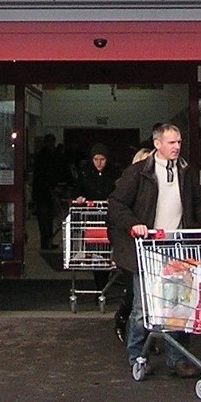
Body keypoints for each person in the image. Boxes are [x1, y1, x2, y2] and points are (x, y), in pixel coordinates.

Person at [108, 124, 201, 378]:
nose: (177, 147)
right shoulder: (138, 172)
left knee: (177, 305)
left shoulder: (185, 171)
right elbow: (116, 204)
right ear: (157, 144)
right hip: (146, 247)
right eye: (171, 142)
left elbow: (197, 204)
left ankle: (176, 359)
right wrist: (134, 224)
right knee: (142, 307)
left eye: (179, 142)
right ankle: (136, 355)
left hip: (177, 245)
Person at [112, 147, 152, 342]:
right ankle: (124, 323)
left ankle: (145, 336)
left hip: (149, 248)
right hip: (129, 249)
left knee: (150, 296)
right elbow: (114, 216)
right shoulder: (124, 187)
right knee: (135, 295)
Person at [73, 143, 122, 293]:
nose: (99, 163)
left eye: (102, 159)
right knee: (95, 253)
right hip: (92, 218)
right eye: (96, 159)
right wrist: (79, 198)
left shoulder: (115, 174)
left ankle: (103, 285)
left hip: (109, 218)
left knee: (107, 253)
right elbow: (77, 190)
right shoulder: (85, 174)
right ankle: (100, 286)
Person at [32, 133, 66, 250]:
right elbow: (46, 174)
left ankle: (46, 242)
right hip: (45, 192)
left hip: (42, 192)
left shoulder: (42, 155)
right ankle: (47, 242)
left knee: (45, 220)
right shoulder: (48, 156)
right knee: (46, 219)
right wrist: (53, 186)